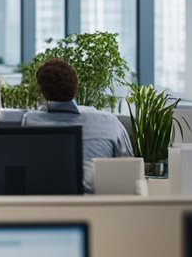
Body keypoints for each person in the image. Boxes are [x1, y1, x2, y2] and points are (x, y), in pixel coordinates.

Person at [22, 58, 134, 193]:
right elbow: (130, 167)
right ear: (76, 86)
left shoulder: (29, 121)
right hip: (99, 206)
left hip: (45, 203)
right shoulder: (110, 122)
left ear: (42, 91)